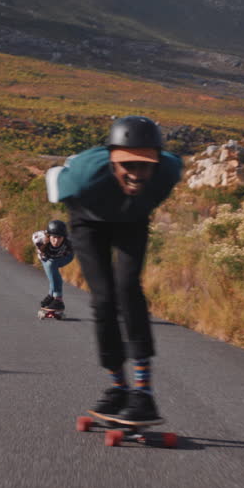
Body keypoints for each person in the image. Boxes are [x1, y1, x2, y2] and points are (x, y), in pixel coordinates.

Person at [46, 115, 182, 422]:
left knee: (129, 290)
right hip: (88, 220)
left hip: (132, 220)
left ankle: (143, 394)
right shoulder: (84, 176)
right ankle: (119, 388)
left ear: (157, 162)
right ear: (111, 162)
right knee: (104, 300)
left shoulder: (168, 171)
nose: (136, 174)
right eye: (127, 165)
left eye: (145, 165)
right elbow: (54, 177)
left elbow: (172, 162)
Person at [32, 219, 74, 311]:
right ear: (49, 236)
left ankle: (58, 300)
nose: (56, 241)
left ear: (64, 237)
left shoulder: (70, 241)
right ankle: (51, 296)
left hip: (65, 257)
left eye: (59, 238)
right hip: (46, 257)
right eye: (53, 237)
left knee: (52, 265)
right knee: (51, 270)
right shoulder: (39, 239)